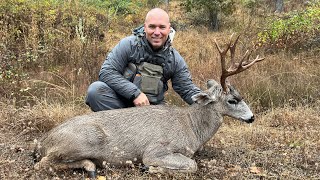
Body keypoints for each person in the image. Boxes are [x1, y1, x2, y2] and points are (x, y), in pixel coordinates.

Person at [85, 8, 201, 112]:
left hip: (152, 111)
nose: (157, 32)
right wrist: (135, 94)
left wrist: (211, 100)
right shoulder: (128, 45)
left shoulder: (175, 59)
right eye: (152, 27)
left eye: (162, 27)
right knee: (95, 91)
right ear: (145, 27)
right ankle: (126, 131)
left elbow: (187, 89)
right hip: (120, 107)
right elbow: (107, 72)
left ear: (169, 29)